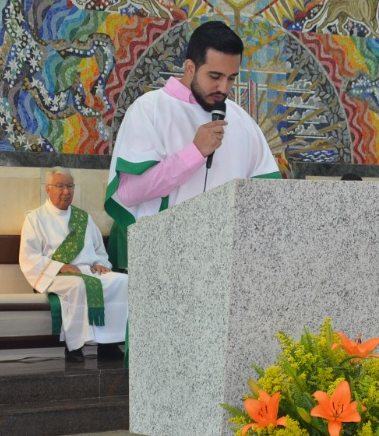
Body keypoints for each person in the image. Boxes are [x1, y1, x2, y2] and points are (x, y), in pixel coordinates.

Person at [104, 20, 282, 269]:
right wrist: (194, 153)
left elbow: (268, 199)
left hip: (224, 265)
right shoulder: (150, 109)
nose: (224, 88)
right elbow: (129, 193)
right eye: (215, 76)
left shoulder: (243, 122)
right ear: (190, 67)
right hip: (164, 262)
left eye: (231, 78)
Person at [19, 167, 127, 363]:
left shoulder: (83, 219)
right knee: (78, 285)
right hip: (54, 275)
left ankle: (109, 344)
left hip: (89, 272)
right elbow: (30, 256)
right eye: (60, 186)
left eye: (69, 186)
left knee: (122, 281)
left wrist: (99, 264)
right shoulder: (35, 218)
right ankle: (75, 346)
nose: (66, 192)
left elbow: (99, 251)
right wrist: (60, 267)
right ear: (48, 189)